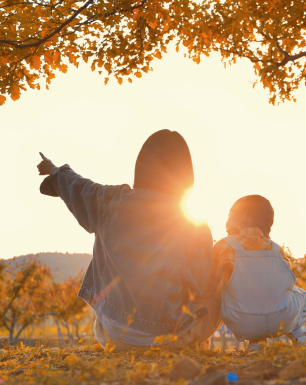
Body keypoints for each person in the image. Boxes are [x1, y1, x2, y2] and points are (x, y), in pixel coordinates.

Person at [37, 130, 222, 351]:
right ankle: (198, 346)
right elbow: (199, 285)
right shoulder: (195, 225)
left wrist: (54, 170)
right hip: (165, 338)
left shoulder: (110, 199)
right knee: (218, 291)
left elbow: (78, 186)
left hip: (111, 334)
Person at [204, 195, 306, 352]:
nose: (226, 221)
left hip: (241, 321)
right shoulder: (277, 250)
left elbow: (209, 287)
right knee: (300, 295)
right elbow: (282, 285)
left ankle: (256, 344)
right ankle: (302, 335)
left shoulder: (223, 246)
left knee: (239, 292)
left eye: (230, 215)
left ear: (241, 217)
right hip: (281, 320)